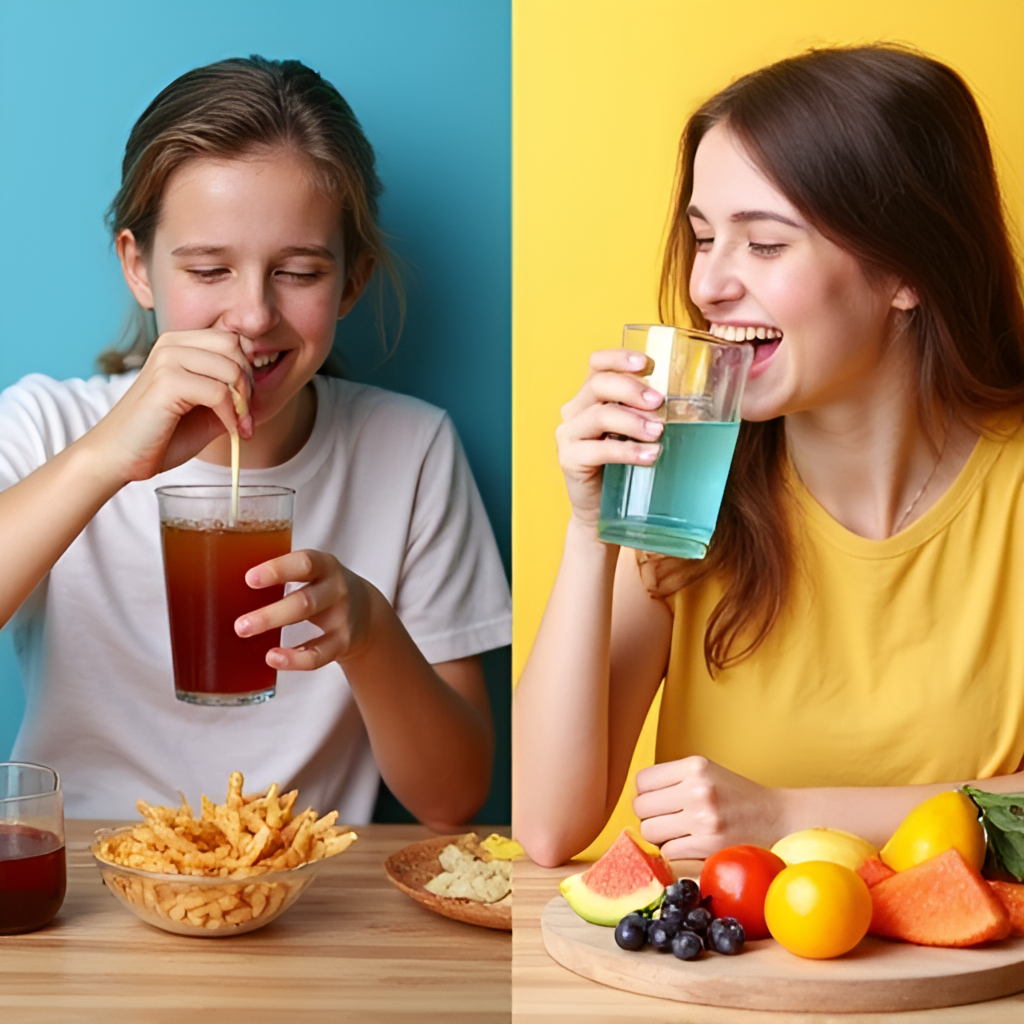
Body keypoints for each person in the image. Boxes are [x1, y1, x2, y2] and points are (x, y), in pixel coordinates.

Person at [513, 44, 1024, 867]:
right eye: (704, 237)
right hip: (716, 988)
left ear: (904, 272)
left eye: (765, 245)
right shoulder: (684, 485)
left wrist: (790, 814)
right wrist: (588, 530)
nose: (707, 283)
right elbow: (546, 828)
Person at [0, 57, 511, 828]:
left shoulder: (410, 450)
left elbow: (452, 799)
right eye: (209, 269)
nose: (252, 314)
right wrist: (103, 460)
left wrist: (369, 633)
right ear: (138, 268)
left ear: (351, 281)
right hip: (75, 892)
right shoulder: (47, 425)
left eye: (299, 272)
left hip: (300, 898)